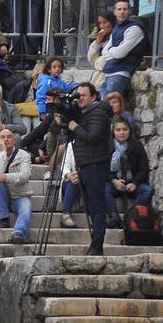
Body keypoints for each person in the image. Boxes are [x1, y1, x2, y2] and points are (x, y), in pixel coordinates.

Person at [65, 82, 113, 255]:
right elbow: (63, 131)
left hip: (95, 164)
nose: (80, 98)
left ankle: (97, 245)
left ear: (93, 97)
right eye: (78, 95)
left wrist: (75, 127)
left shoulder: (98, 113)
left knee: (96, 206)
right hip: (85, 163)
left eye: (84, 95)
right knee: (92, 206)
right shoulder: (83, 113)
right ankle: (95, 243)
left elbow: (92, 137)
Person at [0, 128, 31, 244]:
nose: (6, 139)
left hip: (20, 195)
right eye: (2, 137)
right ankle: (4, 218)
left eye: (9, 137)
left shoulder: (24, 155)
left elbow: (25, 176)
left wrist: (5, 177)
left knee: (26, 209)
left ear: (14, 140)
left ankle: (18, 233)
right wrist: (3, 153)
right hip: (2, 195)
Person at [106, 118, 151, 218]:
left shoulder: (137, 146)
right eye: (118, 130)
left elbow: (144, 168)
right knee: (104, 190)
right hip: (115, 182)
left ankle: (132, 214)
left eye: (125, 129)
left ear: (130, 131)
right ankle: (114, 216)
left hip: (131, 182)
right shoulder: (108, 146)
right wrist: (113, 180)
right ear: (113, 132)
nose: (122, 132)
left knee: (147, 190)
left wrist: (135, 182)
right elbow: (103, 169)